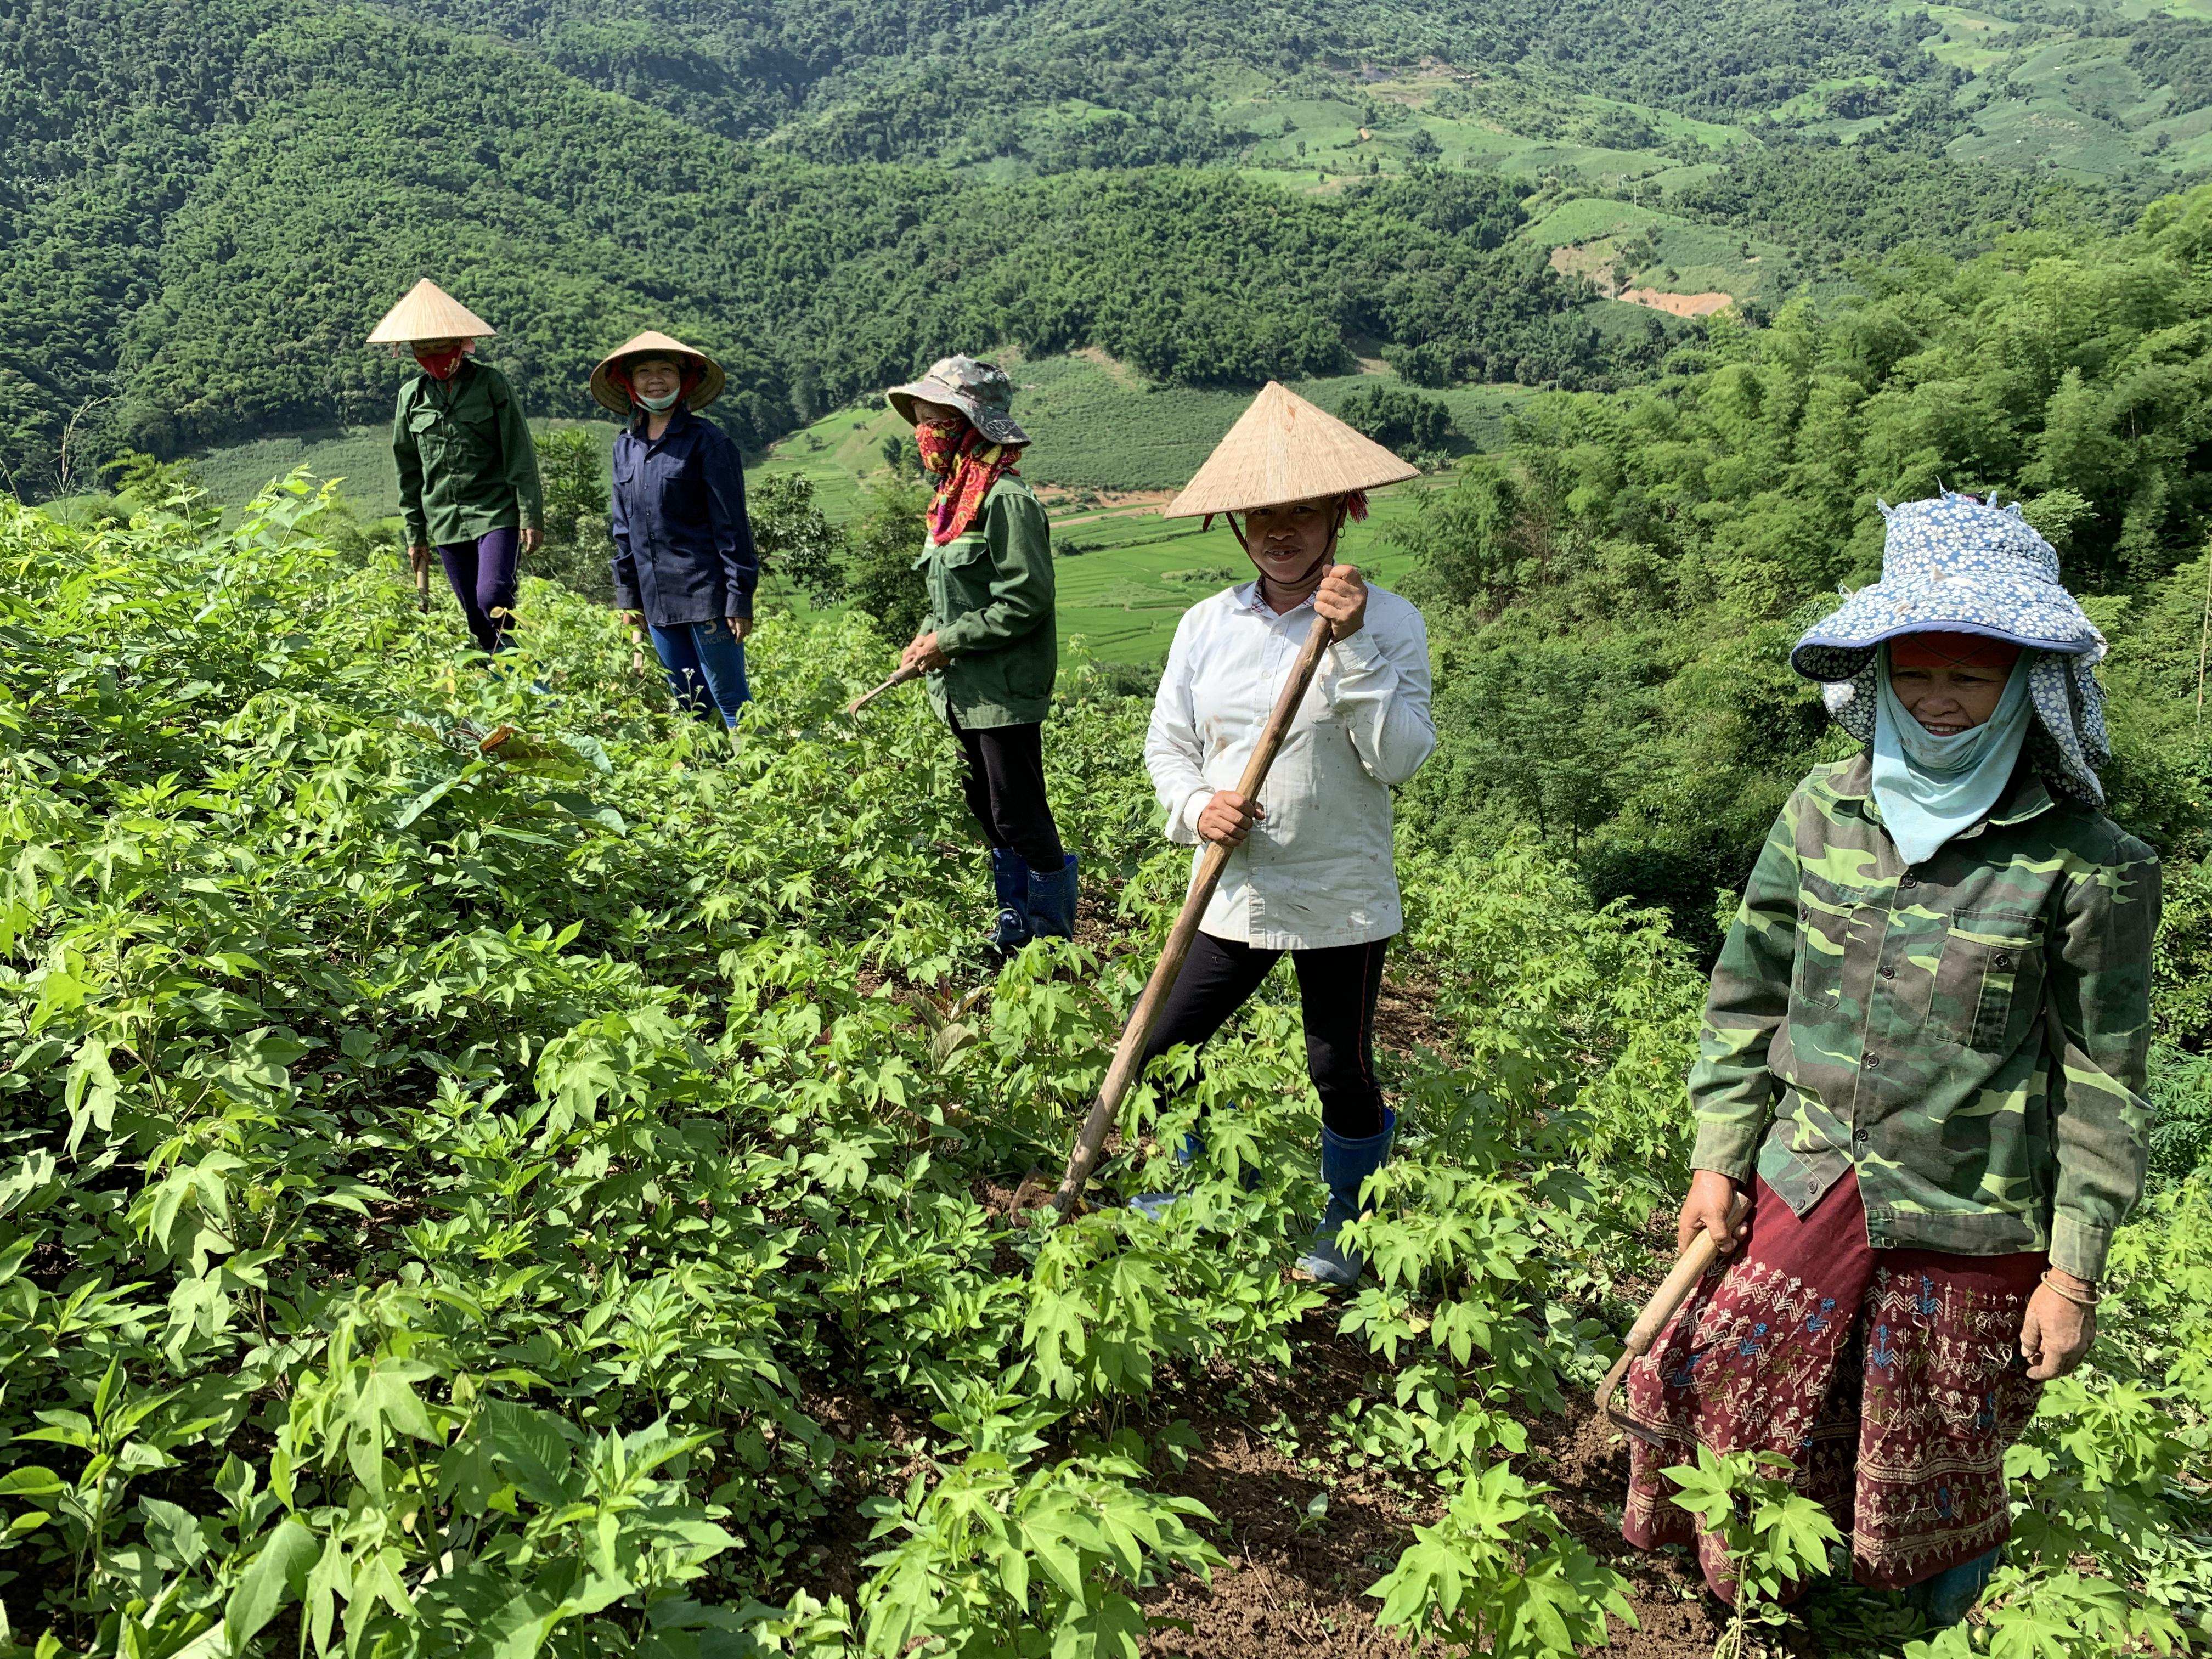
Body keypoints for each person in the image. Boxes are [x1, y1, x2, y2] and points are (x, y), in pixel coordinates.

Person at [1619, 492, 2161, 1627]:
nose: (1939, 700)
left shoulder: (2089, 865)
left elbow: (2105, 1083)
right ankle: (1752, 1610)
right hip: (1808, 1166)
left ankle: (1932, 1631)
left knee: (1942, 1453)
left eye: (1971, 675)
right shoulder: (1826, 808)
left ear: (2026, 684)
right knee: (1721, 1379)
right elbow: (1746, 993)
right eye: (1914, 673)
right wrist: (1719, 1156)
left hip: (1974, 1204)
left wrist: (2074, 1273)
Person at [1134, 382, 1434, 1289]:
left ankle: (1352, 1214)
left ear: (1340, 514)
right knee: (1164, 1046)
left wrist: (1345, 648)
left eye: (1301, 510)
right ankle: (1186, 1177)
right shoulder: (1206, 625)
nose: (1280, 530)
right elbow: (1169, 746)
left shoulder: (1388, 622)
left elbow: (1400, 759)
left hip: (1338, 887)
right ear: (1238, 525)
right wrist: (1198, 807)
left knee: (1335, 1063)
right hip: (1232, 881)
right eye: (1262, 514)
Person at [885, 354, 1076, 950]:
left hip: (1003, 690)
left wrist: (949, 641)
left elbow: (1025, 601)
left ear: (971, 424)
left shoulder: (1005, 500)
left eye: (938, 417)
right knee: (990, 814)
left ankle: (1049, 937)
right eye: (921, 417)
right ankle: (1013, 924)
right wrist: (928, 637)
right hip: (964, 691)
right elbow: (951, 595)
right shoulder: (951, 501)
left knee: (1019, 813)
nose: (926, 431)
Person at [590, 331, 757, 737]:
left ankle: (758, 789)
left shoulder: (709, 443)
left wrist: (739, 597)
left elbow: (732, 527)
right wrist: (630, 602)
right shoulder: (625, 447)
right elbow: (623, 531)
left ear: (685, 380)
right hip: (656, 599)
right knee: (688, 701)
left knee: (730, 698)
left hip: (706, 596)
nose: (656, 380)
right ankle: (711, 785)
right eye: (644, 372)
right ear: (630, 383)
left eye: (666, 370)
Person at [370, 279, 544, 653]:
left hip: (496, 511)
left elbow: (519, 452)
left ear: (461, 344)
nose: (433, 355)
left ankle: (529, 675)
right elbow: (409, 472)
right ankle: (502, 685)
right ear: (411, 350)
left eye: (441, 346)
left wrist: (531, 514)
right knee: (474, 616)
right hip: (445, 519)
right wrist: (415, 535)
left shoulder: (491, 384)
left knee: (493, 596)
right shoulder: (411, 398)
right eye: (423, 348)